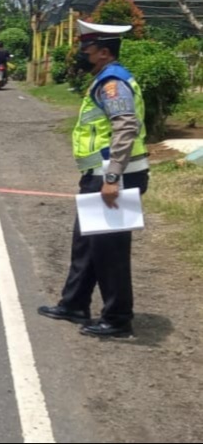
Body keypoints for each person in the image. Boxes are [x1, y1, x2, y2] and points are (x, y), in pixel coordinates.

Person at [39, 20, 150, 338]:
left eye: (84, 49)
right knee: (87, 243)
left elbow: (125, 126)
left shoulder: (113, 83)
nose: (79, 54)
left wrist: (112, 177)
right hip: (99, 175)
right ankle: (74, 304)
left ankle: (117, 319)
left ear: (103, 52)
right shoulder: (104, 78)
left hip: (116, 176)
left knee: (109, 251)